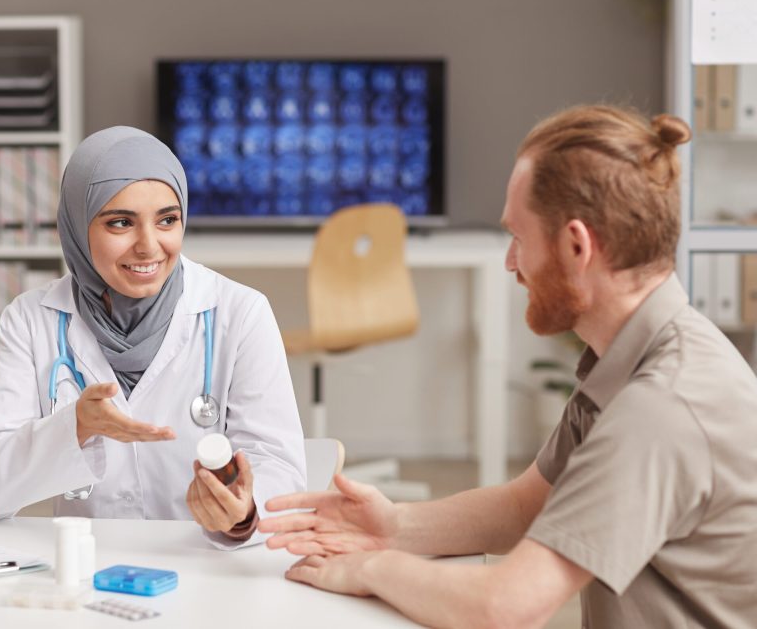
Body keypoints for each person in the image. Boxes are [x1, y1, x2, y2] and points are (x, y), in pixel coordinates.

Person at [258, 105, 757, 627]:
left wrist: (371, 568)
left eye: (519, 238)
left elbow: (505, 607)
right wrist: (393, 525)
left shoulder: (661, 407)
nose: (510, 263)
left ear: (576, 246)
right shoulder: (631, 362)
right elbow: (527, 506)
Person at [0, 126, 305, 547]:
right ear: (78, 225)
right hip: (88, 571)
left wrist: (242, 511)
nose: (149, 246)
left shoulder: (239, 313)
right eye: (120, 222)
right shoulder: (31, 320)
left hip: (207, 570)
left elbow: (279, 469)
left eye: (167, 220)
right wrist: (75, 427)